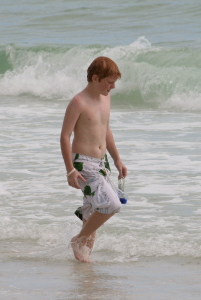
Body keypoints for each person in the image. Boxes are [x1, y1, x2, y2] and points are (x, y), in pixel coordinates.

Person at [60, 56, 127, 263]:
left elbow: (106, 130)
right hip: (83, 163)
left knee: (92, 212)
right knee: (111, 205)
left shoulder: (106, 98)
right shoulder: (78, 102)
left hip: (102, 162)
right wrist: (70, 170)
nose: (113, 86)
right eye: (109, 82)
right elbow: (64, 136)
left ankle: (84, 271)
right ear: (95, 78)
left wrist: (117, 159)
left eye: (114, 82)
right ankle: (78, 241)